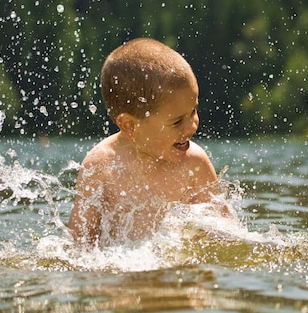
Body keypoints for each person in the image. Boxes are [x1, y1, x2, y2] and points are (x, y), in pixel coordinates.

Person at [68, 37, 229, 246]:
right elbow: (79, 244)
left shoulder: (194, 164)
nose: (192, 125)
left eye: (194, 111)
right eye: (177, 121)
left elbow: (225, 237)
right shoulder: (100, 166)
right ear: (130, 126)